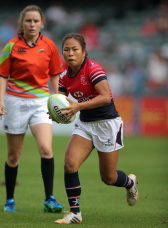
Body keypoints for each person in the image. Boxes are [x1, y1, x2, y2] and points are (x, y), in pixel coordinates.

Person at [52, 33, 138, 224]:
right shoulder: (64, 76)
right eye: (66, 49)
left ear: (84, 52)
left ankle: (130, 183)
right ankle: (75, 213)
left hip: (107, 124)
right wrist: (57, 114)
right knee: (69, 164)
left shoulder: (93, 68)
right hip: (85, 124)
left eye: (75, 49)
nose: (70, 53)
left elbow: (106, 97)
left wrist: (78, 106)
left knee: (108, 177)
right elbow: (60, 102)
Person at [0, 5, 64, 213]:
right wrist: (1, 102)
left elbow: (54, 74)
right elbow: (2, 75)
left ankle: (49, 199)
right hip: (15, 102)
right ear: (22, 23)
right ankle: (9, 201)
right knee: (14, 156)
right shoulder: (11, 46)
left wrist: (57, 98)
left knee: (46, 149)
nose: (32, 24)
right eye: (28, 21)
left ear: (42, 23)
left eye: (35, 21)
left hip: (41, 102)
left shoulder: (49, 45)